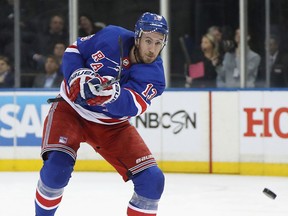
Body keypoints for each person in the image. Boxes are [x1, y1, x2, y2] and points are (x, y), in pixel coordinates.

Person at [34, 12, 168, 216]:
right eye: (148, 40)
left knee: (153, 180)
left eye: (158, 43)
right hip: (71, 111)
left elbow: (131, 105)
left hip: (112, 126)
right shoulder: (112, 36)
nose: (152, 49)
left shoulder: (156, 77)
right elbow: (74, 50)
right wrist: (77, 75)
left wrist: (111, 95)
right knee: (56, 170)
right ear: (137, 36)